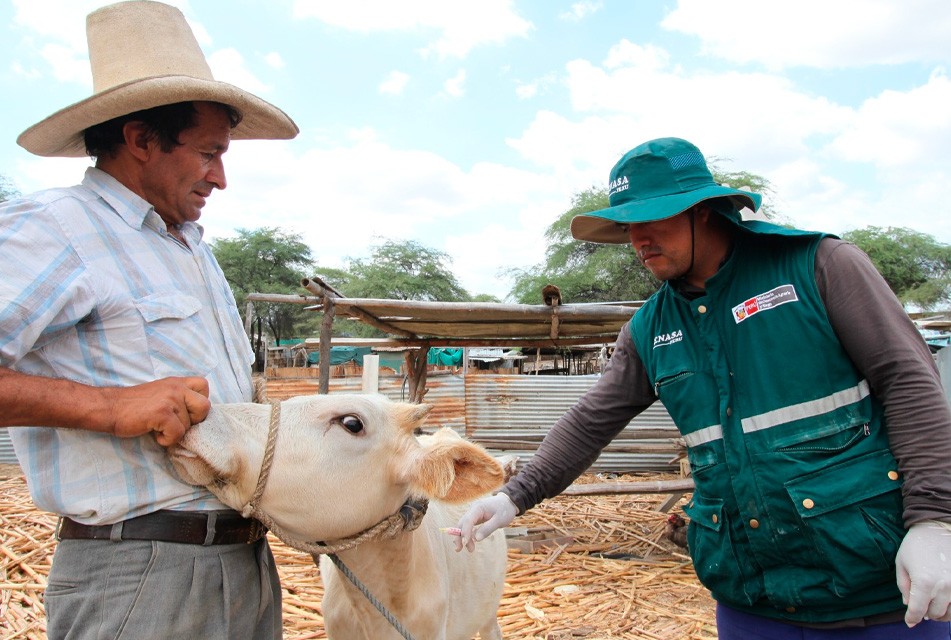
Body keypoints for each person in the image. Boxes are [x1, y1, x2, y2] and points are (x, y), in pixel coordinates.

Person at [456, 137, 951, 639]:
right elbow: (590, 421)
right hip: (752, 600)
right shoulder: (651, 328)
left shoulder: (819, 266)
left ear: (706, 211)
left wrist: (934, 520)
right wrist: (513, 498)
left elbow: (908, 381)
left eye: (656, 220)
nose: (639, 241)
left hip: (884, 592)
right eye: (630, 227)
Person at [0, 2, 298, 639]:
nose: (221, 178)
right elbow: (118, 405)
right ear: (139, 140)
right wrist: (106, 407)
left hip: (242, 562)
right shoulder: (53, 230)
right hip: (137, 575)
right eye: (209, 153)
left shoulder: (188, 247)